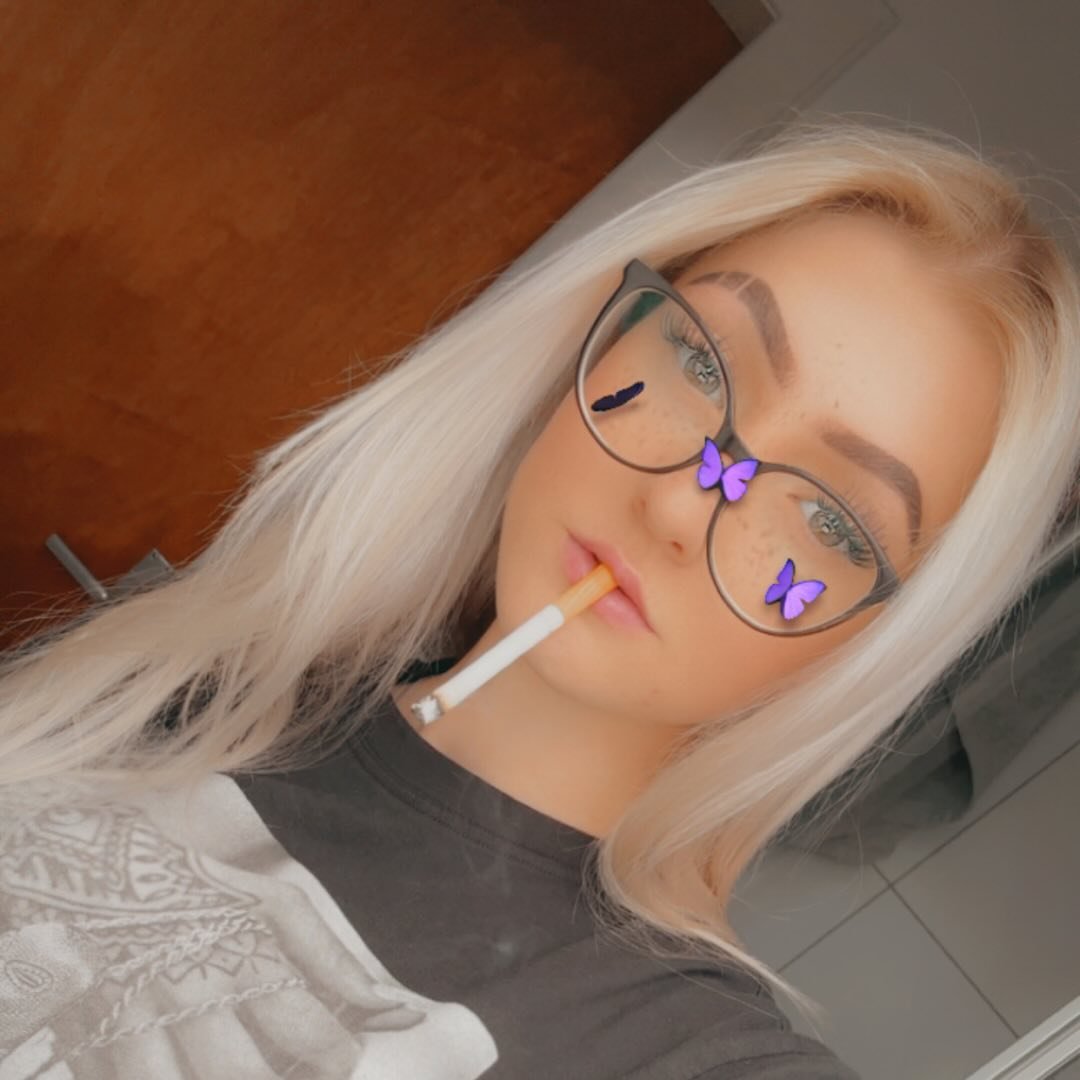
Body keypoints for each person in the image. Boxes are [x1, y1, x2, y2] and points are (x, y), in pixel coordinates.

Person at [1, 117, 1078, 1079]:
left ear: (874, 648)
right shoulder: (180, 665)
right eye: (701, 362)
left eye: (831, 522)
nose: (680, 504)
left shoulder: (686, 1052)